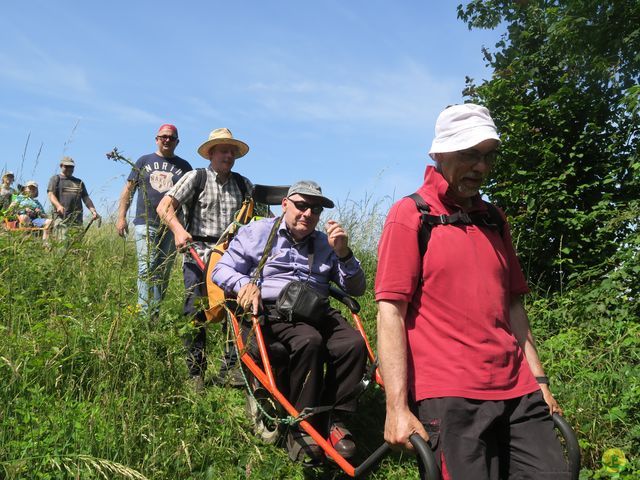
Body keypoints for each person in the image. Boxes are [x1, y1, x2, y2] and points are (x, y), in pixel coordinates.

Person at [375, 104, 569, 479]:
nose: (480, 167)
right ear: (440, 153)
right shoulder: (411, 216)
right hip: (449, 395)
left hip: (518, 390)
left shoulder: (494, 219)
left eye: (487, 157)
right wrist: (396, 408)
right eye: (469, 154)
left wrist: (540, 382)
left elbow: (513, 305)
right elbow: (390, 312)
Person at [212, 180, 367, 465]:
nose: (308, 213)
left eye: (315, 209)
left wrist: (344, 254)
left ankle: (335, 418)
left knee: (354, 343)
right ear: (285, 205)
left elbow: (356, 288)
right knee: (309, 341)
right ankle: (302, 426)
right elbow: (221, 269)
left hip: (315, 307)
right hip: (272, 308)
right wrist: (244, 284)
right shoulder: (256, 232)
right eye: (301, 205)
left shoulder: (325, 243)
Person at [156, 128, 253, 392]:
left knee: (237, 310)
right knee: (194, 310)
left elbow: (255, 221)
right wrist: (178, 231)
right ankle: (195, 373)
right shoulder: (195, 178)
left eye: (232, 151)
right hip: (197, 253)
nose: (228, 155)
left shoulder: (244, 185)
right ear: (210, 153)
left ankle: (231, 370)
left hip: (233, 258)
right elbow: (164, 207)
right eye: (223, 150)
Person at [116, 124, 192, 321]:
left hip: (171, 224)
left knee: (163, 268)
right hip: (145, 221)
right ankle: (144, 314)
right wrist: (121, 217)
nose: (167, 140)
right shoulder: (144, 161)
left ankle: (155, 313)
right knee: (146, 266)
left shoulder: (184, 167)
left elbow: (190, 199)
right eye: (163, 137)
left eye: (171, 138)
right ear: (157, 139)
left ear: (177, 142)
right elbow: (128, 190)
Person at [47, 157, 99, 235]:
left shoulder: (79, 182)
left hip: (77, 219)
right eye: (66, 166)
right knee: (62, 243)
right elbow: (51, 194)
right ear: (61, 166)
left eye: (71, 167)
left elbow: (86, 198)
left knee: (76, 244)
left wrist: (93, 211)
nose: (69, 169)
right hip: (61, 218)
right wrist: (58, 206)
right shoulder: (56, 179)